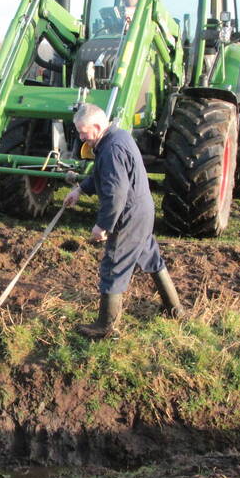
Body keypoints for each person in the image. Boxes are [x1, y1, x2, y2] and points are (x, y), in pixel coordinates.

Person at [63, 103, 183, 339]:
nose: (81, 137)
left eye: (83, 131)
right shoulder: (115, 137)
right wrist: (80, 190)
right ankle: (175, 309)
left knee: (113, 266)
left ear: (97, 127)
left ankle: (105, 328)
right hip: (142, 211)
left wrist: (103, 226)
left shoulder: (111, 150)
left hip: (128, 215)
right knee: (151, 257)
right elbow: (101, 173)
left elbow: (115, 193)